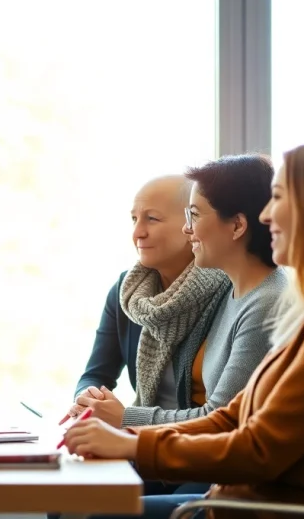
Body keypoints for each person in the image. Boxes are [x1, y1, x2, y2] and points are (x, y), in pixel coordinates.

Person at [63, 139, 304, 519]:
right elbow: (232, 417)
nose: (265, 216)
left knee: (88, 511)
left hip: (275, 512)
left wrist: (131, 445)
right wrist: (126, 437)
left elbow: (259, 448)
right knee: (81, 502)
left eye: (278, 197)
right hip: (244, 503)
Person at [69, 157, 282, 432]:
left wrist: (126, 420)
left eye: (194, 215)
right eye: (133, 219)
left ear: (238, 226)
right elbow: (96, 374)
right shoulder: (239, 293)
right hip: (182, 452)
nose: (187, 228)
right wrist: (94, 405)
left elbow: (222, 420)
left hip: (202, 462)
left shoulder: (257, 300)